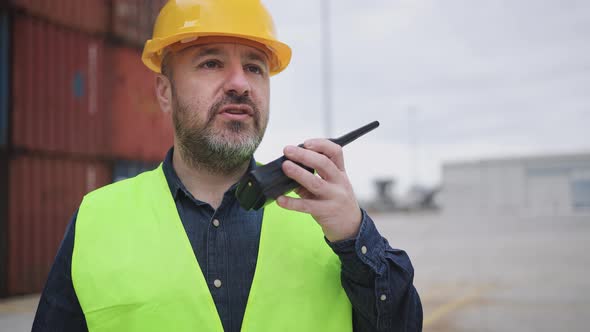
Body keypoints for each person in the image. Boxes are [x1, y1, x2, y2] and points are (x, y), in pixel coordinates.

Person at [32, 0, 422, 331]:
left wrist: (356, 239)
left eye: (255, 68)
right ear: (165, 92)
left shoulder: (330, 220)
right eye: (211, 63)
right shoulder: (97, 218)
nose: (240, 84)